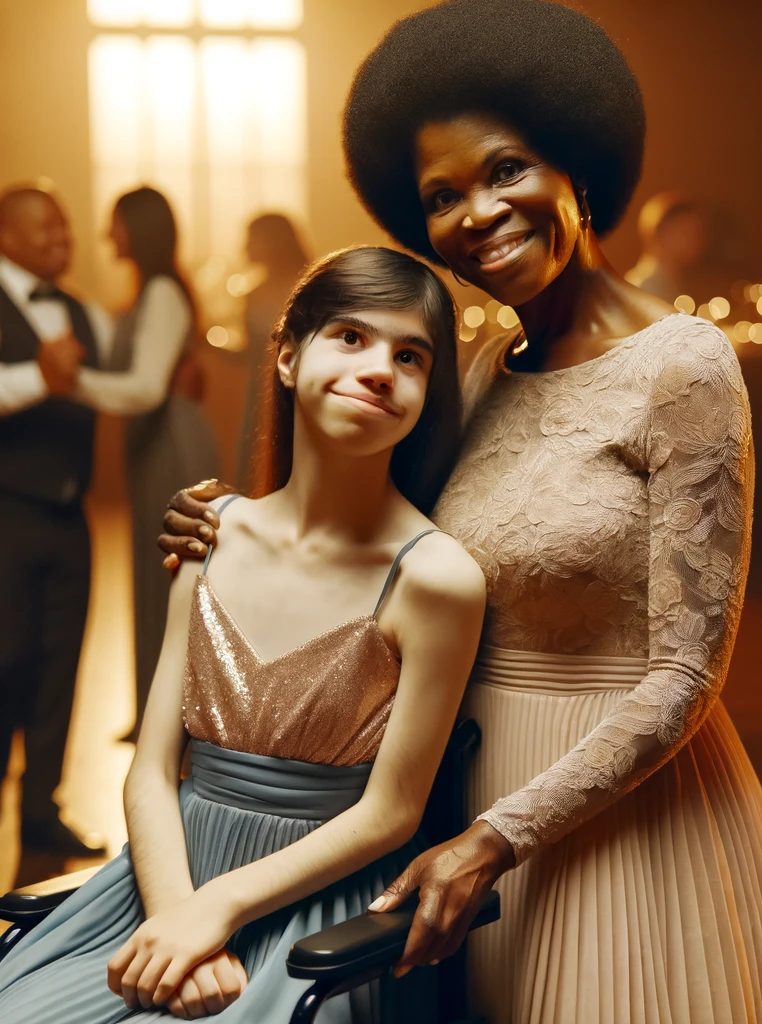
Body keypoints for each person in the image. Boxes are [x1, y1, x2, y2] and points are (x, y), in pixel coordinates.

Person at [161, 3, 762, 1021]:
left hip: (615, 824)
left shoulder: (682, 363)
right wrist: (232, 520)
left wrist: (500, 836)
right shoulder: (474, 372)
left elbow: (689, 672)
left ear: (575, 171)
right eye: (443, 194)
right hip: (449, 801)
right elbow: (372, 539)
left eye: (505, 170)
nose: (477, 210)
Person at [0, 245, 486, 1023]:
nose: (379, 369)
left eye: (411, 356)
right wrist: (175, 917)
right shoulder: (210, 531)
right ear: (289, 360)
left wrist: (219, 911)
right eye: (350, 338)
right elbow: (153, 768)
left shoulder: (439, 579)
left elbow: (392, 812)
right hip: (163, 880)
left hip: (313, 907)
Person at [69, 186, 220, 743]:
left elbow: (146, 387)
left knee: (172, 578)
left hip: (171, 444)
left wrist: (70, 382)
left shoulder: (161, 292)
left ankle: (178, 725)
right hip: (151, 445)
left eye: (116, 223)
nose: (109, 234)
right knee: (154, 577)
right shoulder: (149, 292)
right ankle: (155, 715)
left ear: (138, 228)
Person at [0, 184, 108, 859]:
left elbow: (110, 384)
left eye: (66, 226)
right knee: (5, 662)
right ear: (6, 234)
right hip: (5, 512)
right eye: (46, 228)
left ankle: (42, 808)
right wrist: (38, 376)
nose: (62, 239)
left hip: (71, 515)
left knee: (58, 667)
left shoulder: (78, 311)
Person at [235, 213, 310, 492]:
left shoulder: (307, 288)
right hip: (259, 392)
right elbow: (250, 352)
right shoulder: (252, 294)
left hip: (299, 392)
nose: (245, 247)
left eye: (251, 239)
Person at [624, 190, 710, 303]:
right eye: (689, 232)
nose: (699, 241)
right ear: (664, 233)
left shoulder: (670, 282)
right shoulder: (647, 288)